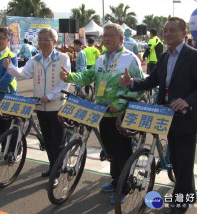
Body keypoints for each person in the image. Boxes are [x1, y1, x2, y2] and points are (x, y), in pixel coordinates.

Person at [120, 17, 197, 214]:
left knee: (184, 161)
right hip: (165, 115)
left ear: (184, 32)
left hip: (185, 115)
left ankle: (182, 201)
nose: (168, 34)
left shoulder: (194, 55)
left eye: (172, 30)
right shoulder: (163, 56)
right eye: (165, 31)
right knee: (177, 160)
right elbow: (152, 81)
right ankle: (189, 193)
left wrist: (187, 100)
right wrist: (132, 83)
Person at [60, 23, 144, 205]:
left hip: (121, 114)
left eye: (110, 35)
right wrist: (70, 77)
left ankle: (125, 187)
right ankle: (116, 181)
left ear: (121, 39)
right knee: (110, 151)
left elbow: (140, 87)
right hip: (102, 113)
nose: (105, 39)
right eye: (104, 35)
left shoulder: (130, 59)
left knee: (123, 152)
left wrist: (120, 103)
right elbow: (89, 76)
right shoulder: (101, 58)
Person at [3, 28, 71, 177]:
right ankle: (54, 167)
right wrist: (10, 67)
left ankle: (56, 172)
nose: (42, 42)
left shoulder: (63, 58)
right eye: (40, 39)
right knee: (47, 140)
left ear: (54, 41)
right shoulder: (35, 59)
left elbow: (64, 83)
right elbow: (23, 74)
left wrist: (51, 96)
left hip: (57, 106)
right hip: (40, 106)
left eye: (46, 39)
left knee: (58, 141)